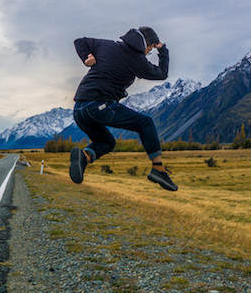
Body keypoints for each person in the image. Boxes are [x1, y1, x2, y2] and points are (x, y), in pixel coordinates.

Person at [70, 27, 177, 191]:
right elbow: (162, 73)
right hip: (99, 105)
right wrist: (163, 50)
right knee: (145, 123)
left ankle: (84, 157)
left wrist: (86, 57)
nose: (147, 54)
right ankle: (158, 169)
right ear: (147, 44)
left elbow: (80, 41)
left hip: (79, 110)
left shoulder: (107, 45)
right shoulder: (137, 60)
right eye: (149, 51)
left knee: (106, 142)